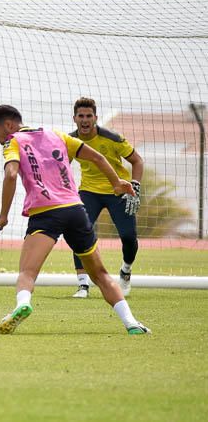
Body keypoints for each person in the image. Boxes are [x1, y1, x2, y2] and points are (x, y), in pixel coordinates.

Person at [0, 104, 149, 335]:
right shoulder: (57, 135)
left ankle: (23, 304)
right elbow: (99, 157)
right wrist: (116, 182)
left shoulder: (12, 141)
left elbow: (11, 174)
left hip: (45, 214)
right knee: (101, 274)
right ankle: (131, 323)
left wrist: (3, 215)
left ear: (9, 125)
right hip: (75, 210)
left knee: (27, 273)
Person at [69, 97, 143, 298]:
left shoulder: (112, 138)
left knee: (128, 237)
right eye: (81, 116)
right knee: (79, 232)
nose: (85, 120)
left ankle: (126, 271)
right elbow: (60, 166)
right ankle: (83, 285)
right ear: (74, 118)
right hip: (88, 191)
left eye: (89, 116)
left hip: (118, 190)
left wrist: (135, 187)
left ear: (95, 118)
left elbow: (137, 161)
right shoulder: (69, 141)